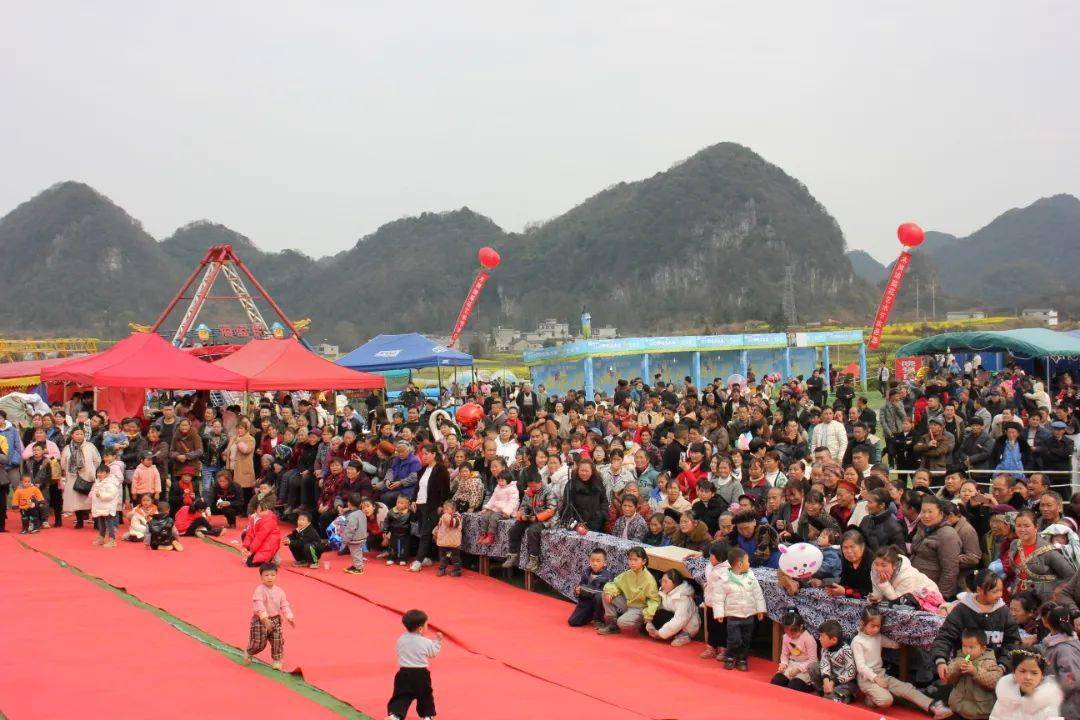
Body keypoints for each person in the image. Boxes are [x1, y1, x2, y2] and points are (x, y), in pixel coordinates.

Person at [853, 606, 953, 718]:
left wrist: (908, 637)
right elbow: (861, 667)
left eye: (878, 626)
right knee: (886, 700)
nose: (876, 629)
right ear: (862, 623)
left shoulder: (878, 636)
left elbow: (895, 645)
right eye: (873, 626)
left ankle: (934, 706)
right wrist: (876, 679)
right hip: (867, 680)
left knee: (907, 689)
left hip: (881, 674)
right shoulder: (857, 642)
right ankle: (870, 696)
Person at [933, 570, 1020, 677]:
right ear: (979, 590)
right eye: (994, 591)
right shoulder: (962, 610)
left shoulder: (1004, 612)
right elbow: (945, 636)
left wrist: (1002, 666)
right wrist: (940, 661)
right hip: (964, 668)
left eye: (1001, 591)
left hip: (994, 671)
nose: (999, 595)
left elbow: (1012, 642)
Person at [386, 609, 442, 720]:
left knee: (401, 695)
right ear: (421, 628)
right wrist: (437, 642)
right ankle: (427, 716)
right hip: (420, 674)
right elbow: (433, 653)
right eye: (427, 625)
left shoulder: (401, 639)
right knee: (425, 696)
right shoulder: (425, 642)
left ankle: (396, 715)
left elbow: (399, 651)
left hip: (403, 673)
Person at [716, 546, 765, 671]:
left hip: (749, 615)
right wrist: (719, 613)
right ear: (739, 564)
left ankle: (742, 658)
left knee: (746, 639)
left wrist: (760, 609)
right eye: (747, 561)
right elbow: (718, 597)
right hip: (733, 616)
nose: (749, 563)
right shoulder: (725, 579)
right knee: (734, 639)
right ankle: (730, 656)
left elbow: (758, 594)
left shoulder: (751, 576)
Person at [941, 628, 1003, 720]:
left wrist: (975, 672)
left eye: (971, 647)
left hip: (980, 712)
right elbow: (948, 679)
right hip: (958, 708)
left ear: (983, 648)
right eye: (964, 646)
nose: (967, 651)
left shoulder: (989, 662)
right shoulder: (958, 659)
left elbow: (994, 682)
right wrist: (957, 668)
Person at [243, 562, 295, 671]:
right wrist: (265, 618)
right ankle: (249, 651)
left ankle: (277, 660)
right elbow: (259, 605)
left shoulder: (280, 591)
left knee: (278, 641)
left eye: (272, 575)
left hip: (275, 619)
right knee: (259, 644)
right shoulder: (259, 590)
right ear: (261, 577)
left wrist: (289, 616)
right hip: (260, 620)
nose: (269, 578)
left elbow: (284, 605)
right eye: (266, 575)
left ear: (276, 575)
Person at [502, 473, 558, 573]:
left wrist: (537, 518)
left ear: (540, 482)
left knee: (532, 531)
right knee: (514, 529)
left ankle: (534, 559)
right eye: (530, 486)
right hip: (531, 517)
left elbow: (551, 510)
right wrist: (522, 515)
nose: (532, 488)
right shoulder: (528, 492)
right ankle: (512, 554)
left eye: (534, 486)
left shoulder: (549, 492)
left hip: (547, 520)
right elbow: (523, 506)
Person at [598, 546, 660, 636]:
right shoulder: (628, 574)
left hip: (640, 609)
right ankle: (612, 624)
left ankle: (640, 626)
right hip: (628, 604)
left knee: (622, 622)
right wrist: (610, 592)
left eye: (635, 560)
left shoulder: (649, 580)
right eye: (630, 559)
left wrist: (649, 614)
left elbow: (654, 600)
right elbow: (614, 584)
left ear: (644, 561)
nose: (632, 562)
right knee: (606, 593)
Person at [409, 442, 451, 573]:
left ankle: (418, 560)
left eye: (426, 454)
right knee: (422, 532)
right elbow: (418, 487)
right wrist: (413, 500)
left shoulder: (441, 469)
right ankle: (426, 557)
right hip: (420, 504)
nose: (424, 456)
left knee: (426, 534)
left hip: (433, 506)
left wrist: (441, 505)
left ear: (434, 454)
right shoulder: (423, 469)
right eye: (422, 454)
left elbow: (445, 490)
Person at [912, 496, 963, 599]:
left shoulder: (947, 535)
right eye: (923, 511)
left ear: (940, 513)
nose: (926, 516)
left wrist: (940, 597)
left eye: (930, 512)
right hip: (917, 587)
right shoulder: (921, 528)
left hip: (933, 592)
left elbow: (950, 571)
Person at [989, 649, 1063, 720]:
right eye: (1022, 671)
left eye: (1034, 673)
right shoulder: (1005, 696)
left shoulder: (1047, 703)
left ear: (1042, 675)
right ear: (1014, 671)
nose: (1028, 677)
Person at [868, 545, 944, 611]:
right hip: (903, 603)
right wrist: (874, 598)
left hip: (928, 599)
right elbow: (878, 595)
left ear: (894, 566)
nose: (878, 569)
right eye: (876, 564)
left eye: (883, 565)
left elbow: (897, 603)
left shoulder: (908, 576)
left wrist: (884, 583)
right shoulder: (874, 570)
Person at [1037, 605, 1080, 719]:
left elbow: (1071, 679)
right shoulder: (1053, 643)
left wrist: (1050, 693)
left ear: (1046, 622)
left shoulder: (1065, 649)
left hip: (1067, 708)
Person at [646, 569, 701, 647]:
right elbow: (656, 607)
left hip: (686, 626)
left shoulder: (684, 598)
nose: (662, 584)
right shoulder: (665, 591)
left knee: (667, 636)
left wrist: (661, 633)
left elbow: (679, 620)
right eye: (662, 580)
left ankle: (685, 636)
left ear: (675, 584)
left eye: (666, 582)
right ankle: (666, 634)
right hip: (671, 617)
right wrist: (649, 620)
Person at [60, 426, 100, 529]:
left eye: (81, 434)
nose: (79, 436)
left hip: (88, 476)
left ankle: (96, 522)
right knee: (76, 500)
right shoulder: (67, 448)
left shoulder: (90, 446)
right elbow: (63, 463)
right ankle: (79, 521)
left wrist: (91, 470)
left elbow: (97, 460)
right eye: (76, 434)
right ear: (72, 435)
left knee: (91, 500)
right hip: (73, 477)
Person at [770, 608, 817, 692]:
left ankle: (812, 685)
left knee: (794, 686)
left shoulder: (808, 639)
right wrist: (783, 664)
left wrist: (799, 669)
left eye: (793, 632)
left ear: (801, 627)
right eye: (787, 632)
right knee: (776, 681)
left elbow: (813, 661)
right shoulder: (786, 637)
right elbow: (785, 654)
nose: (791, 635)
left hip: (805, 667)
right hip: (792, 664)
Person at [568, 548, 614, 627]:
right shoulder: (586, 572)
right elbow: (581, 586)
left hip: (599, 604)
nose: (595, 563)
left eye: (598, 561)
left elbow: (605, 593)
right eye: (592, 561)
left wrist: (586, 590)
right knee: (573, 622)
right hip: (586, 602)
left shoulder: (608, 575)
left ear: (605, 563)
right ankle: (589, 615)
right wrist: (577, 591)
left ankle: (598, 619)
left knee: (600, 596)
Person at [814, 619, 857, 703]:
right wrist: (826, 680)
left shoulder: (846, 650)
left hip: (846, 682)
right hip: (833, 678)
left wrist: (833, 682)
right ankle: (825, 691)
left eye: (822, 636)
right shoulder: (824, 648)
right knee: (812, 667)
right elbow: (824, 664)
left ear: (833, 639)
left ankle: (846, 696)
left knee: (831, 698)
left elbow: (851, 673)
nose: (819, 639)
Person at [700, 540, 730, 660]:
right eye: (710, 554)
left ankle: (723, 648)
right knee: (711, 625)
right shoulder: (710, 565)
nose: (710, 557)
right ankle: (711, 647)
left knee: (722, 626)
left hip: (722, 604)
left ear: (721, 557)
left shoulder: (727, 569)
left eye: (713, 555)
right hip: (710, 601)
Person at [477, 470, 519, 546]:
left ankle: (490, 536)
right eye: (499, 481)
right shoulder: (498, 488)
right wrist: (487, 507)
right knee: (485, 515)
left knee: (494, 517)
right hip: (496, 508)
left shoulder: (512, 489)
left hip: (505, 511)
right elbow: (493, 498)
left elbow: (513, 502)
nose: (500, 483)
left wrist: (507, 511)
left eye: (502, 481)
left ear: (508, 480)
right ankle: (483, 534)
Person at [241, 500, 281, 567]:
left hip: (269, 541)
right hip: (260, 541)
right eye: (261, 510)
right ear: (255, 511)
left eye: (266, 509)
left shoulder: (269, 519)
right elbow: (249, 534)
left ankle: (273, 555)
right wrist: (244, 547)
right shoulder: (253, 517)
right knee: (244, 534)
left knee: (251, 563)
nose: (265, 512)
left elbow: (260, 537)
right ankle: (255, 554)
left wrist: (251, 551)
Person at [89, 463, 121, 547]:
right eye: (98, 472)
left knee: (110, 523)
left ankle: (112, 540)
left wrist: (101, 496)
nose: (99, 474)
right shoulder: (97, 482)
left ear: (107, 473)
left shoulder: (111, 483)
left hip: (108, 507)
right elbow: (93, 491)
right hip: (99, 507)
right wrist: (91, 495)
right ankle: (101, 538)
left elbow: (112, 495)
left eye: (102, 472)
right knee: (101, 523)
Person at [340, 493, 368, 575]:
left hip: (355, 538)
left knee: (355, 553)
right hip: (362, 536)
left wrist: (345, 540)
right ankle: (356, 565)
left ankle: (359, 568)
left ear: (349, 503)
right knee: (356, 553)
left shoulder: (352, 516)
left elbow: (350, 529)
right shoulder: (361, 513)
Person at [433, 499, 462, 577]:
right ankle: (442, 569)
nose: (444, 510)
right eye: (444, 508)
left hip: (453, 542)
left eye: (447, 509)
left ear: (453, 509)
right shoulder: (444, 516)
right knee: (443, 557)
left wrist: (446, 516)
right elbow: (440, 525)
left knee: (455, 558)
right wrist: (435, 532)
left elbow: (453, 523)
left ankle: (457, 570)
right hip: (444, 542)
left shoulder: (458, 516)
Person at [383, 495, 413, 566]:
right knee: (393, 546)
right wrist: (385, 530)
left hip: (405, 533)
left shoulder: (409, 512)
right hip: (394, 532)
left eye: (401, 503)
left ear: (407, 505)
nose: (399, 504)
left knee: (404, 547)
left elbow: (413, 522)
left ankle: (402, 559)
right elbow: (386, 521)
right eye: (398, 502)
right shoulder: (391, 511)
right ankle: (391, 558)